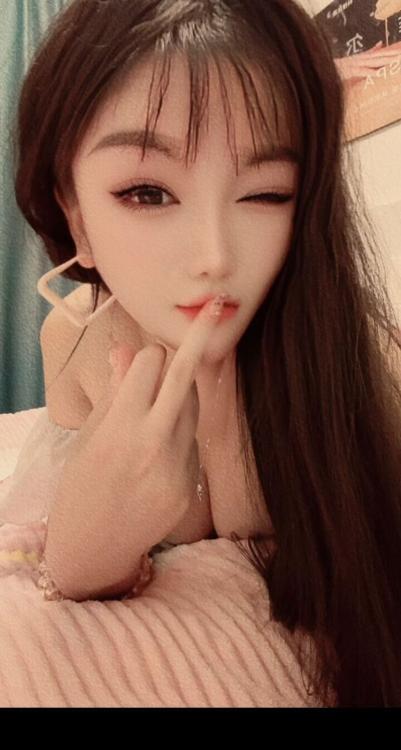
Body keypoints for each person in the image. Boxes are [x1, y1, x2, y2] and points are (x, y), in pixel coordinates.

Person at [3, 0, 401, 708]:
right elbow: (56, 547)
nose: (216, 257)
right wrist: (88, 552)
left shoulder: (353, 352)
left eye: (266, 193)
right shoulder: (74, 338)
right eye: (147, 192)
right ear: (74, 215)